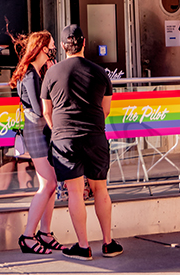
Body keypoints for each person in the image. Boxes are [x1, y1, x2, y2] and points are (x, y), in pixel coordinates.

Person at [41, 24, 122, 261]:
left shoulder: (51, 73)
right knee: (100, 190)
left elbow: (47, 111)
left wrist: (59, 131)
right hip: (96, 137)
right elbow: (105, 110)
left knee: (75, 192)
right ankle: (108, 243)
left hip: (65, 140)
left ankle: (83, 246)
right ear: (84, 43)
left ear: (63, 47)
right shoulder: (100, 73)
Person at [11, 31, 61, 255]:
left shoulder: (35, 72)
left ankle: (45, 233)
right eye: (50, 45)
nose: (53, 49)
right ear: (42, 48)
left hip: (40, 130)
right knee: (49, 184)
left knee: (52, 182)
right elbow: (40, 108)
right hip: (36, 131)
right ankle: (28, 236)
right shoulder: (31, 74)